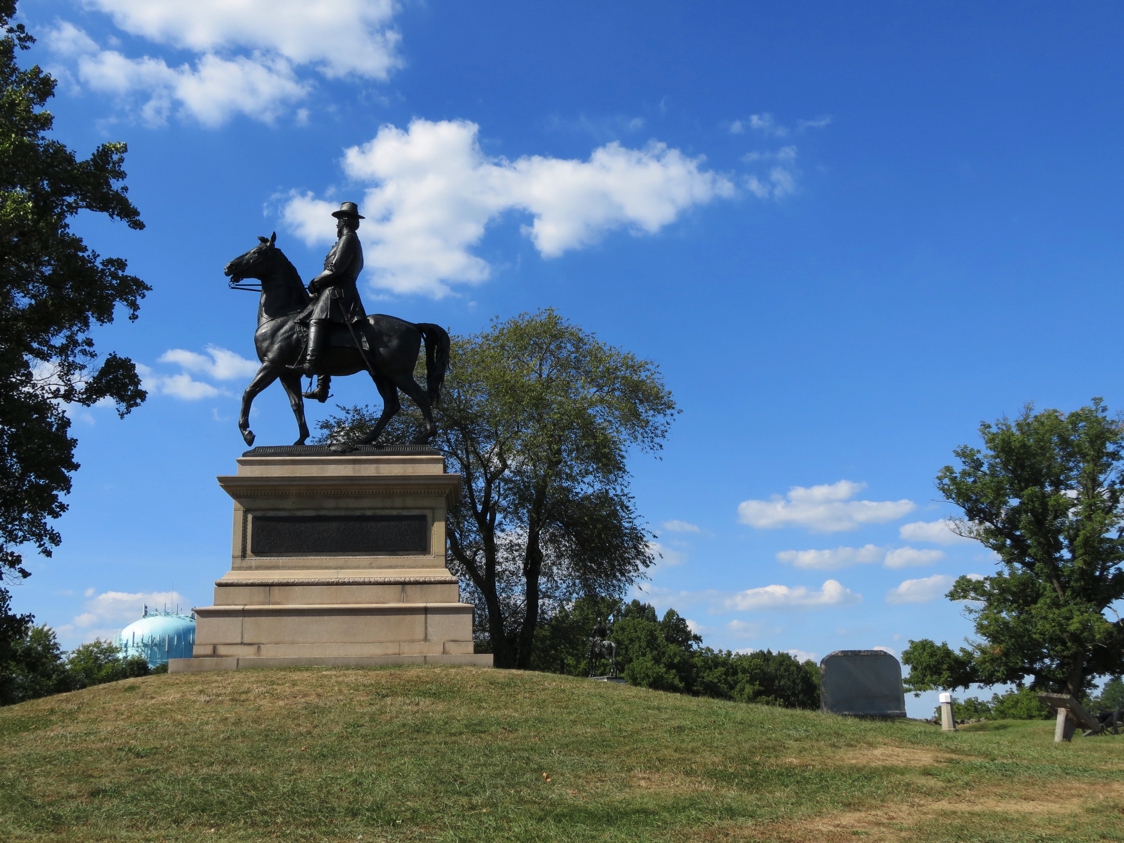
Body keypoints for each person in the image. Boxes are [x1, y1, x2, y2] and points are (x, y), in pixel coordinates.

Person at [289, 201, 368, 401]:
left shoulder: (348, 239)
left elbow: (336, 269)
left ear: (344, 221)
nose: (336, 225)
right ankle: (322, 387)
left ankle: (310, 364)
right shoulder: (346, 240)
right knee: (322, 327)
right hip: (333, 288)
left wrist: (315, 281)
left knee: (317, 321)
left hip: (338, 290)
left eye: (338, 221)